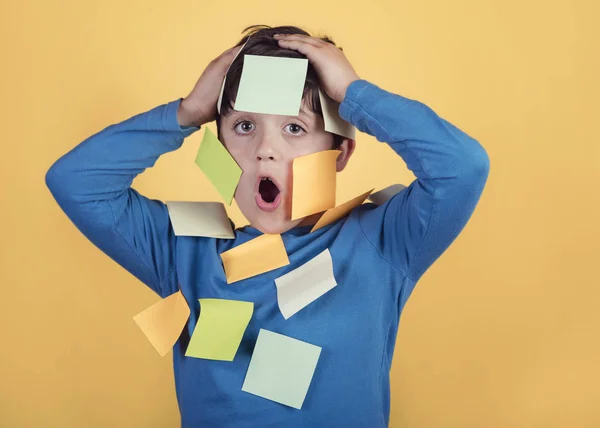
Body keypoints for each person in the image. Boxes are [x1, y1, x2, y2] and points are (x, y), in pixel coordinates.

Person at [46, 24, 490, 428]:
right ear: (219, 150)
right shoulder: (185, 253)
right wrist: (187, 112)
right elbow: (75, 182)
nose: (265, 150)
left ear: (339, 154)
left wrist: (354, 93)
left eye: (294, 128)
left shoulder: (380, 243)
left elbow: (462, 168)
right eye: (243, 126)